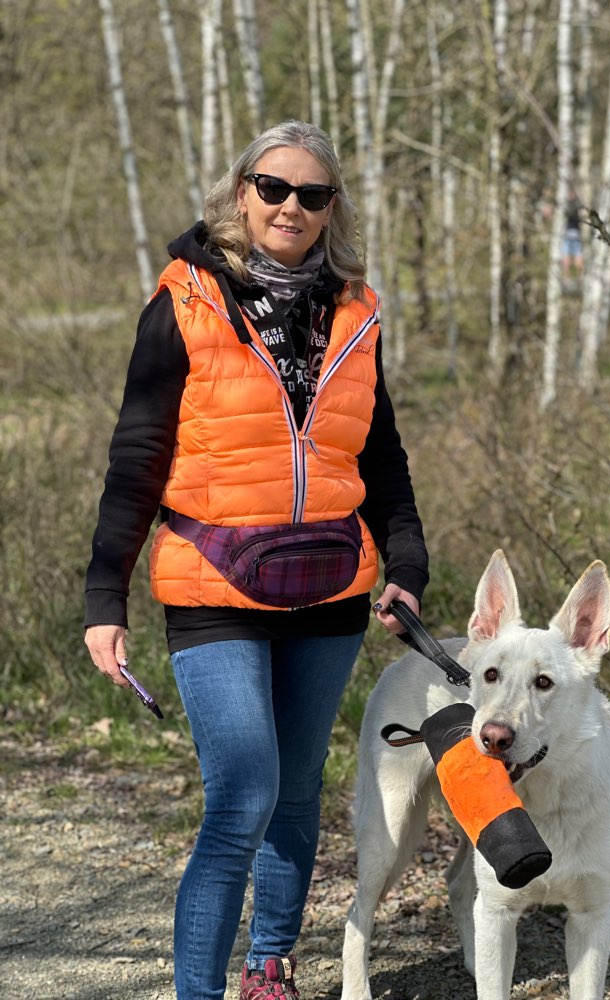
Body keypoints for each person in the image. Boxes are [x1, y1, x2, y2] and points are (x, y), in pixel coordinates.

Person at [84, 119, 428, 1000]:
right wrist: (104, 599)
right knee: (244, 793)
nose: (289, 207)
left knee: (299, 789)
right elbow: (137, 456)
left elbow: (378, 452)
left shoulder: (355, 311)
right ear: (241, 193)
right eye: (273, 188)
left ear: (331, 208)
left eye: (312, 194)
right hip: (212, 581)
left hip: (330, 585)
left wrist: (407, 563)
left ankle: (270, 963)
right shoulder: (186, 300)